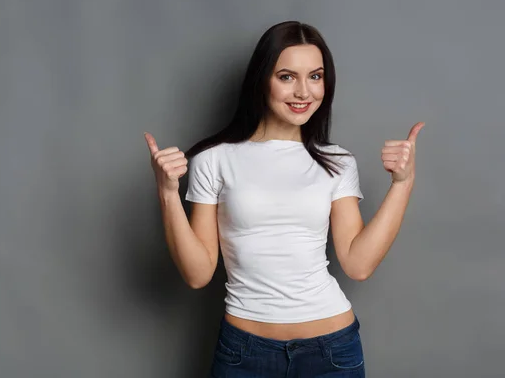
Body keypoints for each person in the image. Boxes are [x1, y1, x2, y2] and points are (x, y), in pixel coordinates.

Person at [144, 21, 424, 377]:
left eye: (316, 76)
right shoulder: (214, 159)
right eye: (287, 76)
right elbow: (198, 273)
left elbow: (358, 263)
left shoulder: (336, 162)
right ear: (263, 79)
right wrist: (167, 193)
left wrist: (403, 184)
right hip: (244, 352)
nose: (304, 92)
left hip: (331, 349)